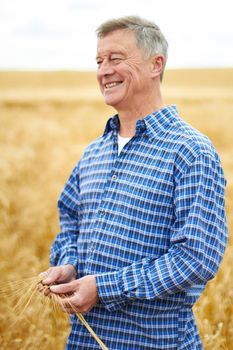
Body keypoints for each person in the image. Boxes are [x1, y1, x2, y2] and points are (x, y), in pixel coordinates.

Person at [41, 16, 228, 349]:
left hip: (156, 343)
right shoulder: (94, 152)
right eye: (99, 61)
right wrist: (68, 264)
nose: (103, 71)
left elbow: (196, 257)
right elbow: (70, 221)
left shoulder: (189, 151)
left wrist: (103, 288)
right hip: (84, 340)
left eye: (116, 58)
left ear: (156, 64)